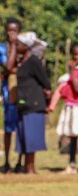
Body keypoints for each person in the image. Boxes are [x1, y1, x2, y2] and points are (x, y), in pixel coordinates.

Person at [48, 43, 78, 174]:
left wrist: (71, 71)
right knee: (72, 135)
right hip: (72, 105)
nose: (77, 57)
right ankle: (72, 165)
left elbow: (77, 87)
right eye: (75, 55)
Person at [11, 31, 50, 174]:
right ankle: (26, 166)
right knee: (24, 136)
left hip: (34, 103)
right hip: (24, 103)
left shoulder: (34, 61)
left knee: (32, 136)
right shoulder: (22, 61)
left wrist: (48, 97)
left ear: (26, 46)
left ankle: (31, 167)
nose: (16, 46)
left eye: (18, 44)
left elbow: (45, 81)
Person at [1, 18, 21, 173]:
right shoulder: (2, 49)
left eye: (14, 30)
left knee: (22, 128)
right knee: (8, 129)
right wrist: (13, 46)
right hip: (9, 93)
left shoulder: (25, 48)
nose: (11, 33)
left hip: (23, 92)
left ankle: (21, 161)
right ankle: (6, 161)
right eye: (9, 30)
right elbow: (8, 67)